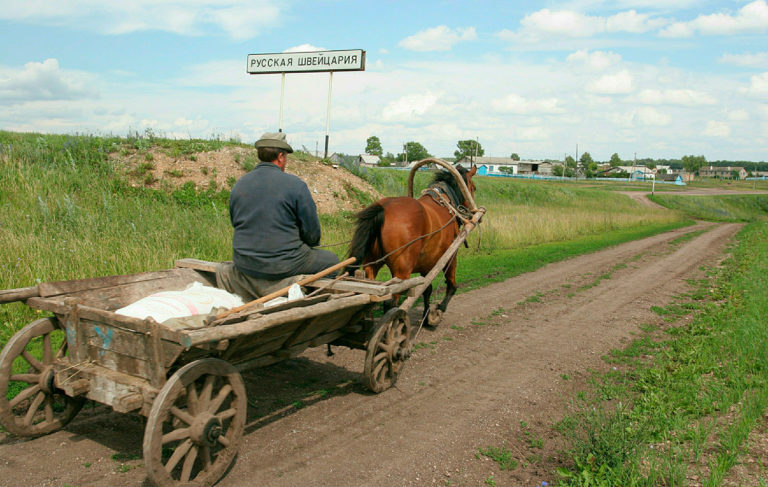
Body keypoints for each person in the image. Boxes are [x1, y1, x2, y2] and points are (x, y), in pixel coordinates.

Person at [216, 132, 339, 300]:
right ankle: (309, 301)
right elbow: (312, 234)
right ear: (280, 157)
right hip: (284, 264)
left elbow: (235, 222)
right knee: (332, 262)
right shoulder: (296, 185)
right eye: (286, 157)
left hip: (245, 263)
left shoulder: (240, 184)